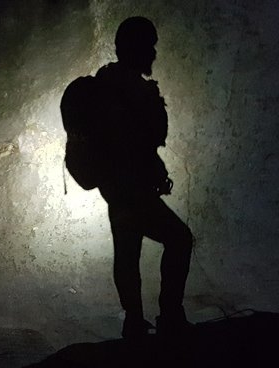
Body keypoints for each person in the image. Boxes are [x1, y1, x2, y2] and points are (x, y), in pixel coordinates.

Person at [90, 17, 194, 339]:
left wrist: (153, 168)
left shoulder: (112, 83)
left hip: (118, 186)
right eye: (148, 46)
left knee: (128, 251)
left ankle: (134, 321)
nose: (153, 53)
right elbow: (133, 140)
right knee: (178, 239)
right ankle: (169, 316)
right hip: (129, 187)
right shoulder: (126, 87)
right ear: (134, 48)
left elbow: (136, 140)